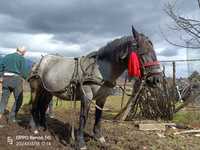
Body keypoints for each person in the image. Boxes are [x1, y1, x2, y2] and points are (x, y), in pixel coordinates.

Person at [0, 46, 29, 122]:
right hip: (16, 80)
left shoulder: (7, 56)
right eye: (25, 52)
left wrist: (1, 76)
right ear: (23, 52)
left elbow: (0, 67)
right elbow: (23, 72)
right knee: (19, 99)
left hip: (5, 79)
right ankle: (12, 118)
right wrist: (28, 79)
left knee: (4, 100)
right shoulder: (21, 59)